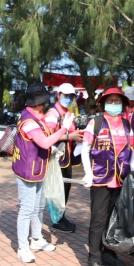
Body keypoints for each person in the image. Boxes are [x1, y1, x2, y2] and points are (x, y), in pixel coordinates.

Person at [79, 87, 134, 266]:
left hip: (120, 178)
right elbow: (85, 149)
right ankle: (93, 261)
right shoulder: (96, 123)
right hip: (100, 179)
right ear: (103, 103)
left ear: (122, 104)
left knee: (113, 219)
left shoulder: (126, 124)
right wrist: (88, 172)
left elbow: (129, 149)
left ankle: (108, 253)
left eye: (117, 101)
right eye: (110, 101)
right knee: (98, 220)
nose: (114, 104)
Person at [12, 82, 75, 263]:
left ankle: (37, 238)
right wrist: (64, 129)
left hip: (39, 167)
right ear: (38, 102)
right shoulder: (29, 121)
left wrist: (53, 149)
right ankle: (23, 247)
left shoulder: (37, 116)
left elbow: (45, 140)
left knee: (38, 205)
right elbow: (44, 142)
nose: (46, 103)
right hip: (27, 170)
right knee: (26, 209)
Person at [44, 83, 85, 233]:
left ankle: (61, 217)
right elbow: (48, 136)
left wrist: (77, 135)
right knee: (58, 190)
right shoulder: (53, 114)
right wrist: (69, 136)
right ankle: (57, 220)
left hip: (65, 158)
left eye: (71, 96)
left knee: (65, 189)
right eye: (65, 95)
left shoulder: (67, 113)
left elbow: (71, 132)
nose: (68, 98)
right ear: (58, 95)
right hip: (56, 158)